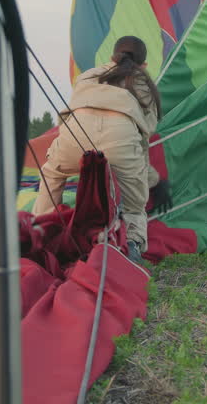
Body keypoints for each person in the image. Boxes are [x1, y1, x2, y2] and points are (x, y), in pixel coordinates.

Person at [31, 35, 171, 263]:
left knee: (52, 173)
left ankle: (39, 232)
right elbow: (142, 142)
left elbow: (69, 116)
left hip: (75, 134)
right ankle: (133, 245)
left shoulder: (87, 76)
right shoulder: (144, 86)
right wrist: (152, 180)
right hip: (121, 139)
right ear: (143, 65)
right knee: (135, 203)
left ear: (111, 57)